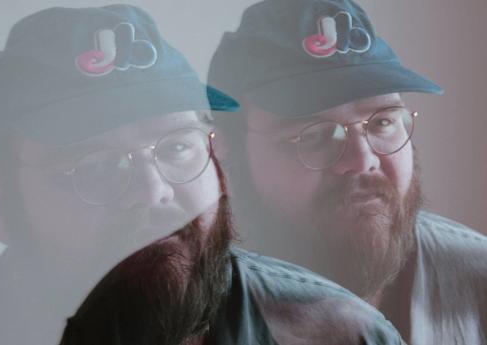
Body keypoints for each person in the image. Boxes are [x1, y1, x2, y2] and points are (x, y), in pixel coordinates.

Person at [0, 4, 405, 345]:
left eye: (176, 148)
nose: (153, 192)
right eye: (96, 166)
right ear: (2, 199)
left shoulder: (341, 333)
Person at [208, 0, 487, 344]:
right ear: (225, 161)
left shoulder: (479, 281)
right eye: (314, 135)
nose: (362, 159)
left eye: (383, 122)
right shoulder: (185, 314)